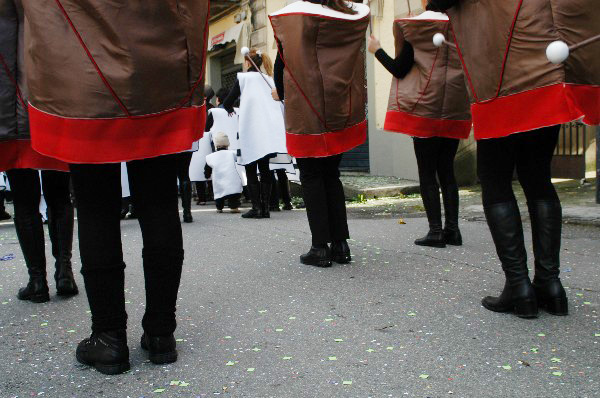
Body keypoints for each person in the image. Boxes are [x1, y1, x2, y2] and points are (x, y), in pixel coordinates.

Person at [21, 0, 210, 374]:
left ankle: (108, 338)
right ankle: (161, 332)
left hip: (81, 76)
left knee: (95, 208)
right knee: (159, 202)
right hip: (159, 69)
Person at [430, 0, 600, 318]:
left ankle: (519, 287)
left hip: (501, 77)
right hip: (547, 69)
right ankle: (550, 284)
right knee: (538, 177)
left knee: (494, 179)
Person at [270, 0, 370, 267]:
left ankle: (320, 247)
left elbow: (282, 70)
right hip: (338, 108)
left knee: (312, 176)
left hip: (306, 109)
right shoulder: (343, 23)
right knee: (331, 175)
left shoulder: (296, 26)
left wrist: (284, 94)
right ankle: (341, 245)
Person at [367, 0, 471, 248]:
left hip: (423, 108)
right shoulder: (463, 27)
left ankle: (435, 231)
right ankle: (452, 231)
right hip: (454, 107)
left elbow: (400, 69)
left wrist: (377, 49)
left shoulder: (416, 28)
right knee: (447, 171)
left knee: (427, 173)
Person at [1, 0, 78, 303]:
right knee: (59, 193)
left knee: (24, 197)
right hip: (50, 104)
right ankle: (65, 272)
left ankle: (37, 280)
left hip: (9, 110)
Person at [223, 48, 288, 219]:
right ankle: (266, 208)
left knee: (251, 168)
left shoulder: (243, 78)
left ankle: (256, 207)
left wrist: (231, 108)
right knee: (265, 168)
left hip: (251, 130)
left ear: (246, 62)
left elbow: (228, 101)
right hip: (268, 132)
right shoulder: (269, 80)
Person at [204, 132, 243, 213]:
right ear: (228, 144)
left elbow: (207, 169)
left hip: (219, 181)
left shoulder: (211, 157)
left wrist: (207, 175)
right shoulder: (232, 153)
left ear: (216, 145)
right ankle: (234, 207)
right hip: (232, 181)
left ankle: (219, 207)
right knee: (234, 195)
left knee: (219, 195)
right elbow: (240, 157)